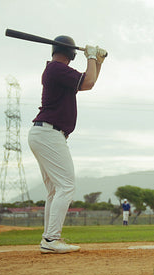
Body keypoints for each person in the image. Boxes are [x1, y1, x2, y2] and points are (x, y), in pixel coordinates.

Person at [28, 35, 106, 254]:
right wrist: (90, 56)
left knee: (55, 190)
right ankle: (51, 240)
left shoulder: (56, 71)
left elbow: (87, 83)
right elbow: (88, 81)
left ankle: (50, 239)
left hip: (44, 133)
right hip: (48, 133)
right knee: (66, 186)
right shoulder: (56, 69)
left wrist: (97, 61)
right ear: (71, 53)